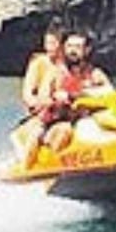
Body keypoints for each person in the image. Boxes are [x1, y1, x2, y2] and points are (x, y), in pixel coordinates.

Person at [18, 23, 69, 168]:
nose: (49, 48)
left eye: (53, 43)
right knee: (36, 133)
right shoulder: (39, 63)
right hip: (42, 115)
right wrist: (39, 103)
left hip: (66, 113)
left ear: (62, 45)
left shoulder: (70, 66)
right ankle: (25, 169)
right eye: (47, 43)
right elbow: (27, 93)